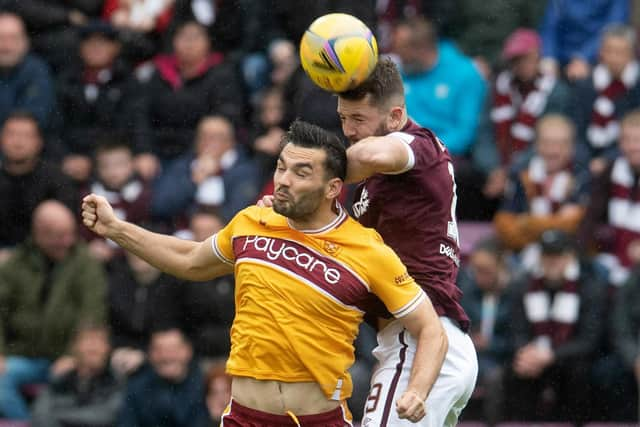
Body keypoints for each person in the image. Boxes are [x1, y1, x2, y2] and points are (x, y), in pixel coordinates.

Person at [82, 120, 446, 425]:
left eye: (302, 172)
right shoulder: (251, 221)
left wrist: (417, 389)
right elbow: (191, 259)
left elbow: (430, 328)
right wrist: (117, 229)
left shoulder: (368, 250)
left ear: (333, 188)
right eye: (281, 167)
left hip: (318, 420)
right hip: (243, 417)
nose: (284, 180)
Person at [337, 58, 477, 426]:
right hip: (430, 343)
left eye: (359, 120)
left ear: (396, 116)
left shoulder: (417, 145)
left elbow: (370, 153)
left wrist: (308, 167)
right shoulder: (376, 185)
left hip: (417, 344)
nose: (349, 131)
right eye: (342, 119)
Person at [0, 200, 107, 420]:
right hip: (23, 354)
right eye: (58, 235)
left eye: (70, 233)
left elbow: (93, 313)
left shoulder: (85, 263)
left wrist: (72, 355)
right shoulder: (16, 264)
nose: (67, 241)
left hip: (68, 357)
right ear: (39, 234)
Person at [503, 229, 606, 422]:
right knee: (517, 369)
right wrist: (527, 352)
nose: (551, 261)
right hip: (534, 357)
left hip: (571, 359)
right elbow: (516, 329)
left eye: (557, 255)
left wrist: (552, 355)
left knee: (581, 373)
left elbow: (590, 340)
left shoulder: (589, 286)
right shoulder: (523, 284)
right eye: (546, 255)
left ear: (569, 256)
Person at [493, 114, 589, 257]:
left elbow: (572, 226)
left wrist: (528, 224)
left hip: (567, 256)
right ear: (536, 145)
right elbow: (504, 223)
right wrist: (552, 224)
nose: (552, 151)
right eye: (547, 143)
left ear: (571, 147)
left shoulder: (582, 177)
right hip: (524, 254)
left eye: (560, 144)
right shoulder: (521, 175)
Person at [0, 111, 76, 258]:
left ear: (39, 142)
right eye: (12, 134)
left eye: (26, 136)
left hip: (47, 258)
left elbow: (67, 230)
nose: (18, 142)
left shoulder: (57, 179)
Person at [578, 109, 640, 286]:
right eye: (627, 140)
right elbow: (591, 217)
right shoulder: (611, 171)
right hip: (611, 260)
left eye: (638, 140)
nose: (633, 147)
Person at [571, 24, 640, 176]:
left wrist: (609, 159)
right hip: (588, 160)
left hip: (628, 157)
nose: (614, 58)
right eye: (610, 51)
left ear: (632, 55)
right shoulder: (586, 85)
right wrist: (586, 161)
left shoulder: (636, 86)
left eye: (621, 52)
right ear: (601, 53)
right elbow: (578, 131)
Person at [31, 323, 123, 427]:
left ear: (108, 348)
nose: (93, 347)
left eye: (100, 341)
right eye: (87, 340)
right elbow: (39, 414)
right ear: (74, 347)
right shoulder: (60, 382)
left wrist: (58, 416)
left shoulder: (116, 382)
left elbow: (106, 416)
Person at [117, 327, 210, 427]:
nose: (166, 356)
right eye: (158, 350)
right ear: (149, 354)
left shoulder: (207, 385)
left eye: (173, 349)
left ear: (188, 351)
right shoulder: (136, 388)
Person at [0, 12, 55, 130]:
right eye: (1, 38)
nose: (6, 46)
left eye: (13, 38)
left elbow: (36, 116)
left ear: (25, 42)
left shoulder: (37, 71)